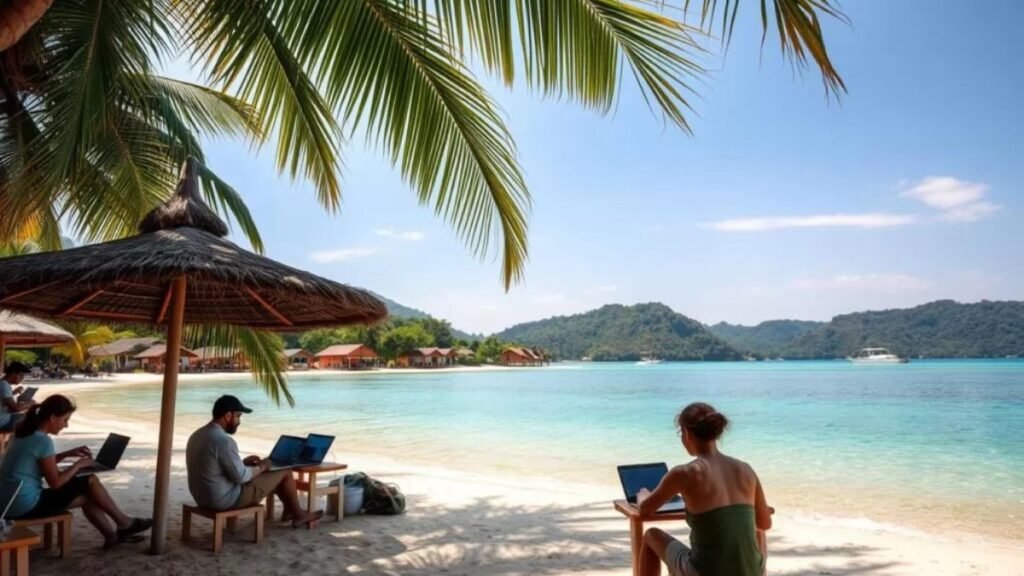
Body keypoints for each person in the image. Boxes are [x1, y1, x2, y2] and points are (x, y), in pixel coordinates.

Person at [637, 402, 772, 576]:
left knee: (650, 535)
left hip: (704, 572)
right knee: (757, 532)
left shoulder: (684, 473)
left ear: (686, 433)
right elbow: (764, 524)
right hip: (752, 571)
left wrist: (643, 495)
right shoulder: (745, 469)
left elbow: (645, 509)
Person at [0, 395, 153, 548]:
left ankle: (113, 536)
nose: (66, 425)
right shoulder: (43, 442)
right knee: (90, 480)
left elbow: (35, 463)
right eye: (65, 420)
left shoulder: (22, 433)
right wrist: (78, 465)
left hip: (7, 502)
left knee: (90, 495)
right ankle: (124, 523)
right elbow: (56, 483)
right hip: (24, 506)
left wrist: (66, 454)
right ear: (53, 417)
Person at [185, 395, 322, 527]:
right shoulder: (223, 441)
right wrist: (262, 467)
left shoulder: (197, 435)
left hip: (202, 498)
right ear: (228, 416)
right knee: (284, 470)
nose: (239, 421)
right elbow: (241, 477)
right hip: (224, 500)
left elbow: (212, 467)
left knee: (273, 473)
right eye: (238, 416)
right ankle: (299, 515)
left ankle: (288, 511)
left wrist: (243, 463)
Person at [0, 361, 37, 432]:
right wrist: (30, 403)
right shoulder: (4, 385)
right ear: (14, 374)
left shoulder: (3, 383)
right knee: (33, 419)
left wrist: (13, 392)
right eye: (21, 375)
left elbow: (3, 399)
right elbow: (15, 408)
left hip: (4, 418)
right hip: (3, 422)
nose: (22, 378)